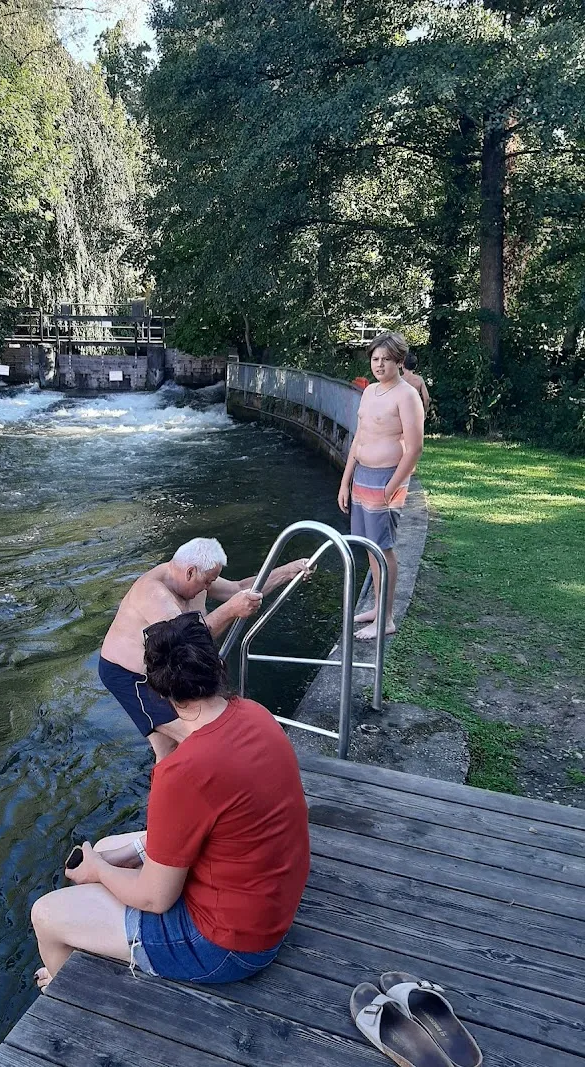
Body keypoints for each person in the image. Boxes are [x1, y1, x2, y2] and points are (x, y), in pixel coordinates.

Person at [31, 612, 311, 991]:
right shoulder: (254, 715)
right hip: (269, 905)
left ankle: (66, 987)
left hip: (227, 947)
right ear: (218, 667)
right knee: (109, 847)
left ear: (159, 692)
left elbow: (154, 898)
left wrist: (98, 871)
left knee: (47, 915)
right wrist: (110, 860)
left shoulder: (183, 771)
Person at [99, 537, 312, 760]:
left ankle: (167, 785)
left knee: (170, 747)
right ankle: (176, 786)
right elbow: (187, 643)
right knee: (193, 738)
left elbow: (239, 588)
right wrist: (230, 610)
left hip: (164, 671)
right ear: (190, 572)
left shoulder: (193, 577)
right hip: (128, 674)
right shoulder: (155, 594)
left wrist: (288, 572)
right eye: (207, 582)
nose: (209, 587)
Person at [337, 331, 424, 639]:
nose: (380, 364)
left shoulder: (406, 395)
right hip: (362, 475)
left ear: (399, 361)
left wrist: (392, 488)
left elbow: (414, 448)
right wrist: (345, 480)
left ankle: (386, 618)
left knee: (383, 548)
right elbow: (359, 437)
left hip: (386, 478)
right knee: (369, 547)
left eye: (387, 359)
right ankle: (378, 605)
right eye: (375, 358)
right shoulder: (370, 391)